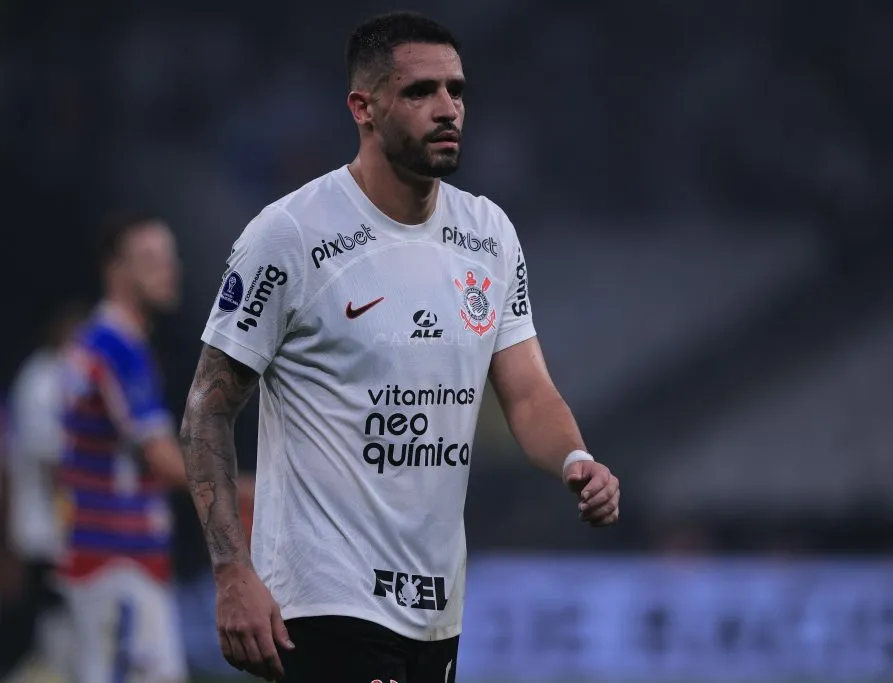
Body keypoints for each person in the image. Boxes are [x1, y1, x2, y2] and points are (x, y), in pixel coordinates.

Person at [180, 11, 621, 683]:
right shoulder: (291, 235)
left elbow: (527, 390)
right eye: (421, 92)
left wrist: (575, 458)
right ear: (364, 106)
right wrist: (233, 570)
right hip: (324, 598)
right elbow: (207, 408)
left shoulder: (489, 234)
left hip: (436, 604)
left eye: (457, 90)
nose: (447, 109)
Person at [56, 212, 194, 683]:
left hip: (123, 562)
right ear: (117, 269)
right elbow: (163, 461)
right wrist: (248, 490)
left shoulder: (106, 343)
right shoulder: (116, 348)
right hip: (117, 564)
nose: (168, 269)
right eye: (150, 258)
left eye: (170, 257)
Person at [2, 303, 86, 683]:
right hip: (42, 527)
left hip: (54, 525)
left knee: (62, 623)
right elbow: (53, 462)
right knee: (42, 622)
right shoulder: (41, 380)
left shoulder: (61, 376)